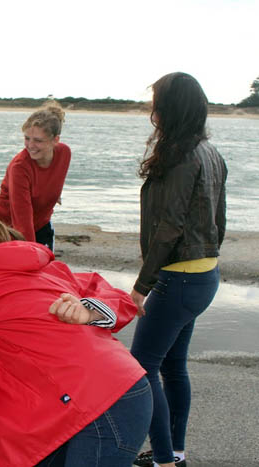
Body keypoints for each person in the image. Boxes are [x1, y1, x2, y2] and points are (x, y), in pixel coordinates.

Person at [0, 181, 151, 466]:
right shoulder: (36, 263)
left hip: (96, 403)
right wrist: (91, 311)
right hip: (125, 388)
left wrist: (85, 312)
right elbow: (117, 296)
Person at [129, 73, 227, 467]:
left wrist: (141, 286)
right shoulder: (209, 151)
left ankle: (165, 461)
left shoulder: (182, 155)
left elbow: (169, 227)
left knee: (141, 367)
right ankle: (175, 453)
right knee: (171, 365)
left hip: (181, 277)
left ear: (169, 108)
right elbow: (219, 219)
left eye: (156, 102)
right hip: (205, 274)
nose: (152, 111)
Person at [0, 102, 71, 251]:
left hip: (41, 224)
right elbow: (22, 221)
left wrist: (54, 194)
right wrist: (31, 252)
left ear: (56, 140)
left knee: (48, 268)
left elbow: (53, 177)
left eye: (38, 140)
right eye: (27, 138)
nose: (30, 145)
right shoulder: (20, 168)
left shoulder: (64, 153)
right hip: (7, 229)